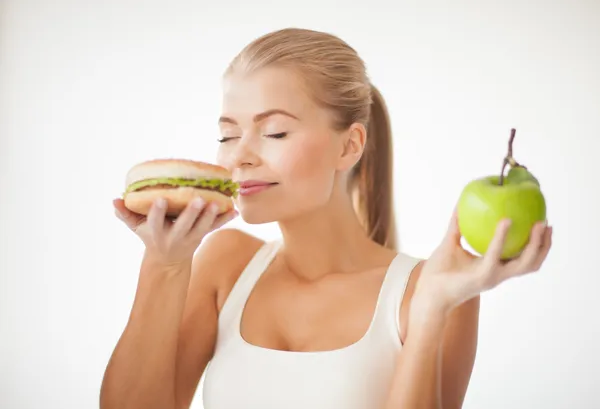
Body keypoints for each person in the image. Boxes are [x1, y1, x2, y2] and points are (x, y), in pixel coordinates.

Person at [100, 28, 553, 409]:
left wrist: (432, 308)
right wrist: (165, 264)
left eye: (274, 131)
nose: (238, 156)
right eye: (227, 133)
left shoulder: (428, 290)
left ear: (349, 146)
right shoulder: (226, 264)